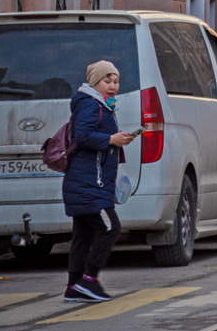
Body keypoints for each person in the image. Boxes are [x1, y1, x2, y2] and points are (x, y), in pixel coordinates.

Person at [62, 60, 135, 303]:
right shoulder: (90, 104)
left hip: (87, 181)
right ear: (95, 82)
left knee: (83, 234)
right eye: (107, 81)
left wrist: (117, 139)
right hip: (90, 183)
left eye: (115, 81)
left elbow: (95, 136)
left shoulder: (100, 104)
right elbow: (82, 136)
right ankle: (89, 280)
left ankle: (73, 287)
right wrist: (112, 139)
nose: (113, 86)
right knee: (109, 227)